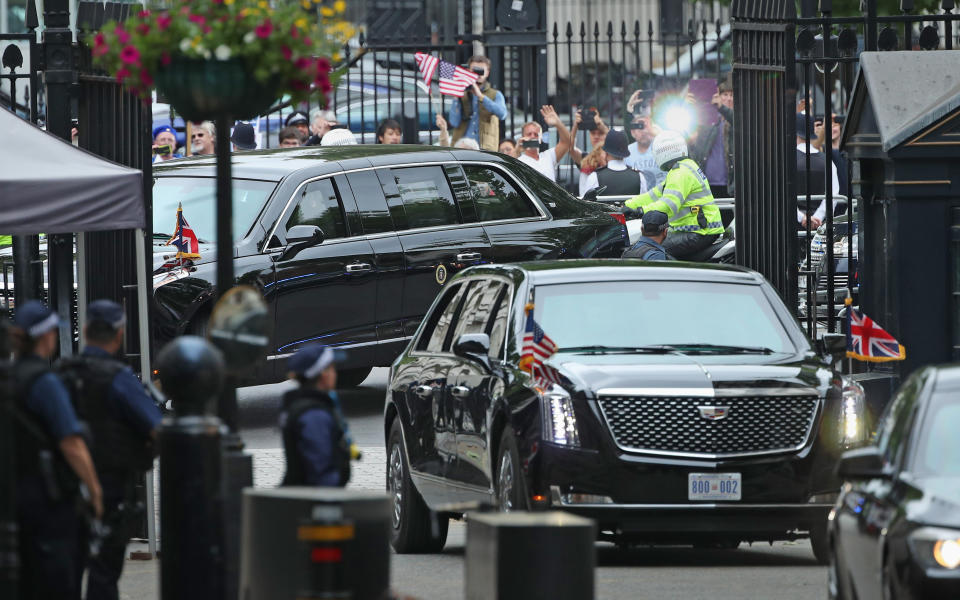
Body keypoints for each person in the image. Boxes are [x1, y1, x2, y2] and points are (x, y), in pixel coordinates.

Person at [58, 300, 161, 600]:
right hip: (111, 489)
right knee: (103, 576)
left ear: (86, 330)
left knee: (67, 574)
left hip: (65, 490)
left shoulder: (63, 375)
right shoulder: (119, 379)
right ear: (119, 335)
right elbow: (156, 428)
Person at [11, 300, 102, 600]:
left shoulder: (7, 378)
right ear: (47, 336)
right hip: (48, 500)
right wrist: (94, 490)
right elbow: (71, 442)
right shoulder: (45, 383)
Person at [624, 131, 724, 260]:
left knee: (651, 248)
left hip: (698, 232)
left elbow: (669, 205)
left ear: (661, 152)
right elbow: (653, 195)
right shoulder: (683, 167)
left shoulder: (680, 173)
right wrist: (626, 205)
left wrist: (640, 211)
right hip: (698, 230)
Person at [279, 344, 353, 487]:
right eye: (332, 368)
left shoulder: (299, 404)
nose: (335, 373)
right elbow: (321, 469)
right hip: (312, 501)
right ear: (323, 374)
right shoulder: (314, 414)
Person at [449, 55, 507, 151]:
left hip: (484, 149)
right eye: (475, 70)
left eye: (481, 70)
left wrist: (481, 97)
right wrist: (456, 96)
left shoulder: (495, 94)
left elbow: (502, 114)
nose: (478, 74)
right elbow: (454, 122)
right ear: (468, 71)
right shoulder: (462, 93)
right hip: (461, 147)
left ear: (487, 73)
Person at [796, 113, 839, 229]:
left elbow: (781, 194)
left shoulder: (786, 161)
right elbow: (833, 195)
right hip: (819, 227)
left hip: (792, 226)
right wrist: (817, 217)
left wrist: (802, 218)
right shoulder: (828, 162)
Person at [579, 129, 646, 197]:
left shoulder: (595, 177)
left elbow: (586, 205)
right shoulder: (639, 177)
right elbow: (644, 204)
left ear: (606, 152)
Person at [517, 105, 572, 183]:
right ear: (522, 137)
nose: (533, 136)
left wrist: (558, 123)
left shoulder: (548, 156)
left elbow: (567, 142)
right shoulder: (519, 161)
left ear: (541, 138)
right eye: (529, 134)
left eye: (536, 134)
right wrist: (517, 150)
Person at [623, 93, 665, 189]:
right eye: (640, 126)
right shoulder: (627, 152)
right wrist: (629, 109)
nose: (644, 131)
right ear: (632, 132)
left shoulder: (662, 147)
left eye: (647, 125)